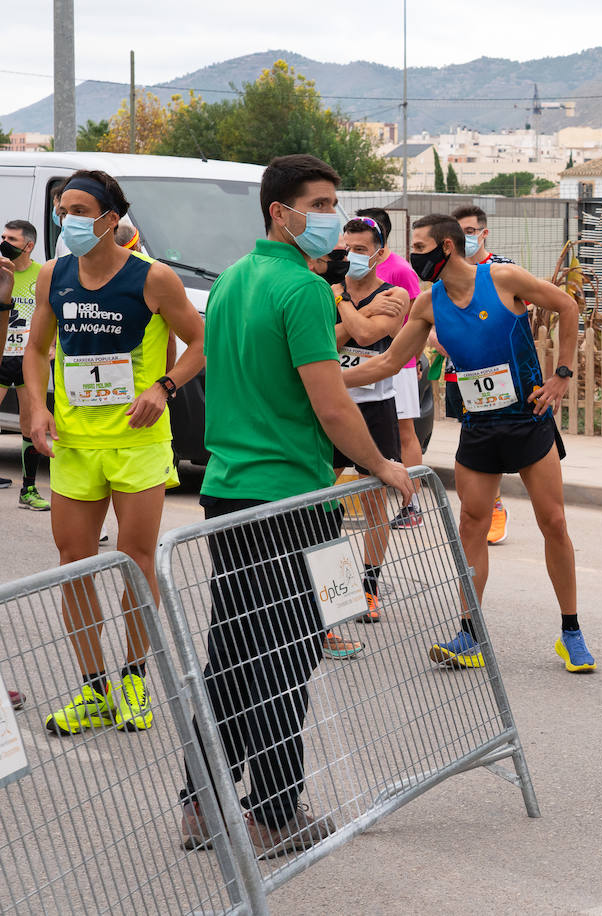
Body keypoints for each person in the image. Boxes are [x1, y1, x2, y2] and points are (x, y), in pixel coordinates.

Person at [177, 155, 415, 858]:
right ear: (280, 212)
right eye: (319, 203)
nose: (333, 217)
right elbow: (331, 402)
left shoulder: (230, 283)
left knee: (233, 648)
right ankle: (274, 812)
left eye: (336, 202)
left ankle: (202, 803)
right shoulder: (303, 292)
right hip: (289, 491)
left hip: (228, 487)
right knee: (286, 651)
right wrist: (382, 466)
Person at [343, 214, 595, 674]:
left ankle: (571, 632)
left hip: (528, 419)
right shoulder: (427, 304)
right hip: (479, 427)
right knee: (471, 525)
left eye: (419, 245)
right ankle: (470, 633)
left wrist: (561, 373)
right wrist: (327, 380)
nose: (413, 254)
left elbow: (567, 306)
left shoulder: (501, 277)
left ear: (445, 246)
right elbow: (387, 364)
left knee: (554, 522)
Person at [19, 171, 205, 737]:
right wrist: (36, 407)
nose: (66, 219)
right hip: (75, 444)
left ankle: (133, 677)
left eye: (78, 208)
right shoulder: (55, 274)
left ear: (109, 217)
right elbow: (35, 346)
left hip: (137, 443)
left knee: (134, 560)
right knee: (74, 565)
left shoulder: (154, 278)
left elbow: (200, 342)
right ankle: (94, 687)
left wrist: (163, 388)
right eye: (61, 207)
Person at [331, 217, 407, 632]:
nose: (351, 257)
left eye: (360, 250)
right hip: (331, 407)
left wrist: (346, 307)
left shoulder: (395, 295)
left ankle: (369, 585)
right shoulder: (327, 291)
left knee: (377, 501)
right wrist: (349, 306)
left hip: (375, 408)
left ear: (378, 253)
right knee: (319, 496)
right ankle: (327, 585)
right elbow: (325, 341)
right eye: (345, 250)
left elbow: (363, 336)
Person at [448, 204, 520, 546]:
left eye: (470, 231)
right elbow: (434, 326)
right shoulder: (444, 275)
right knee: (470, 438)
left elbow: (516, 323)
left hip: (502, 376)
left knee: (498, 442)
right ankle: (484, 507)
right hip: (460, 375)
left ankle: (493, 507)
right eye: (458, 231)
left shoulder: (504, 271)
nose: (465, 237)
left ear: (483, 233)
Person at [356, 208, 426, 532]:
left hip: (400, 363)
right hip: (365, 366)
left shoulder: (399, 270)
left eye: (362, 245)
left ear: (380, 241)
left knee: (405, 431)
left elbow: (412, 321)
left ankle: (410, 505)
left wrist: (413, 354)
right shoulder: (347, 276)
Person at [0, 219, 51, 507]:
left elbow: (51, 313)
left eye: (12, 239)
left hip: (27, 359)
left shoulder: (42, 274)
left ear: (28, 246)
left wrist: (52, 344)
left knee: (30, 424)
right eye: (3, 236)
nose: (5, 242)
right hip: (0, 355)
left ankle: (28, 490)